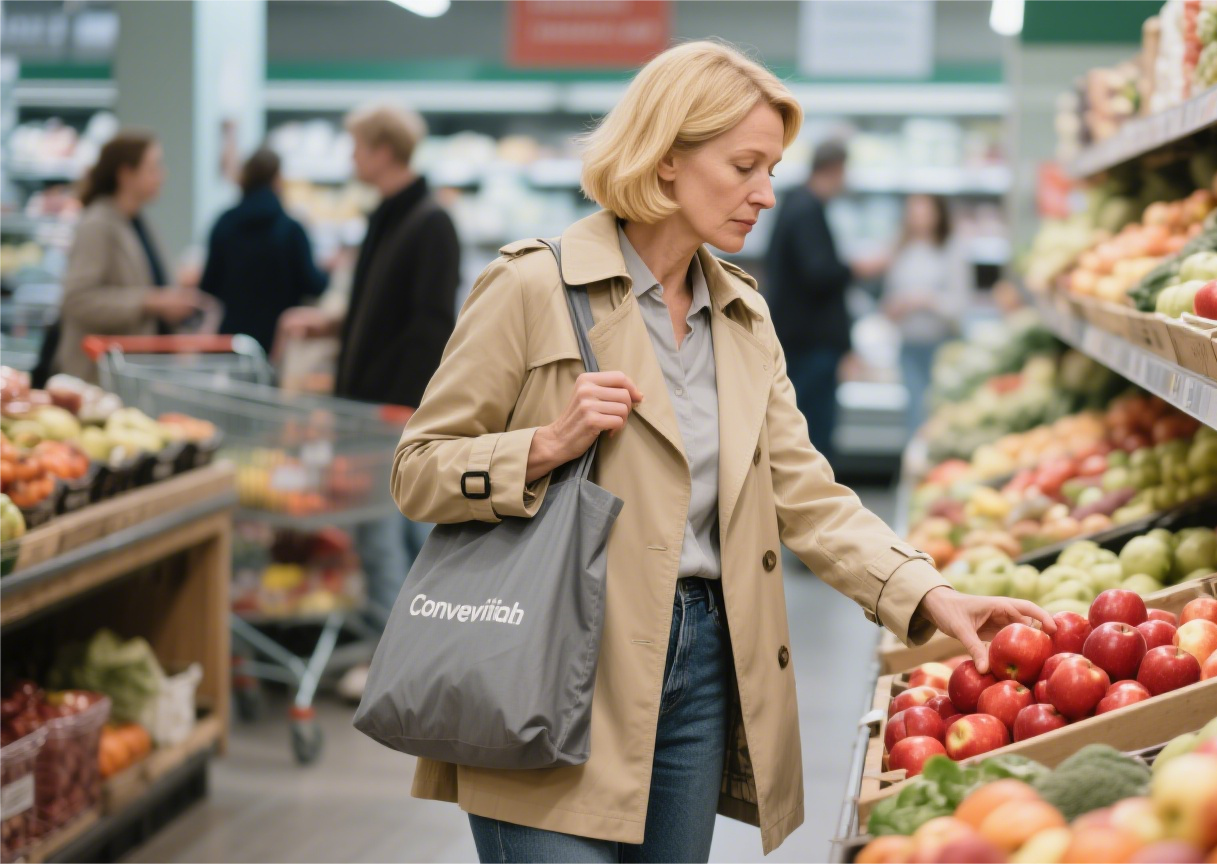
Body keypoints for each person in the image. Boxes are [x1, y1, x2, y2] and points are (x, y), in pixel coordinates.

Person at [390, 41, 1052, 864]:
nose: (766, 194)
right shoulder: (533, 287)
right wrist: (544, 445)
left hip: (703, 670)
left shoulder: (741, 315)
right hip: (556, 656)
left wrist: (929, 594)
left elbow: (804, 494)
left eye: (771, 169)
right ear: (667, 157)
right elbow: (418, 469)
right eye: (744, 167)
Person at [275, 104, 459, 697]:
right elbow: (382, 312)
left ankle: (398, 663)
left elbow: (431, 323)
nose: (351, 158)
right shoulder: (389, 215)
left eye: (356, 147)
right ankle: (417, 656)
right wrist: (332, 325)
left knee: (385, 537)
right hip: (369, 407)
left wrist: (409, 406)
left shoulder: (430, 221)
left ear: (383, 150)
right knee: (395, 535)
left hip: (391, 411)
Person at [51, 132, 203, 382]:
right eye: (153, 167)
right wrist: (150, 302)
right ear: (126, 174)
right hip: (97, 377)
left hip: (130, 374)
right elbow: (78, 299)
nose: (162, 175)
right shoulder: (97, 225)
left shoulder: (137, 221)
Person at [763, 140, 880, 457]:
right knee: (812, 434)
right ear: (835, 169)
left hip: (798, 338)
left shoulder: (796, 203)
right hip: (810, 343)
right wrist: (854, 269)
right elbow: (818, 272)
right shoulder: (807, 209)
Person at [200, 148, 327, 353]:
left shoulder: (224, 223)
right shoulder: (291, 229)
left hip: (232, 341)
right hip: (279, 342)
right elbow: (313, 285)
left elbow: (209, 286)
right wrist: (329, 270)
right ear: (276, 179)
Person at [883, 194, 971, 435]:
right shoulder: (901, 249)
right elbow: (888, 300)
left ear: (938, 214)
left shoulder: (952, 249)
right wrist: (895, 307)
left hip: (943, 346)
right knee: (915, 413)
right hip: (909, 346)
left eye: (924, 211)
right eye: (914, 211)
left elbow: (960, 305)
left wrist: (926, 299)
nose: (918, 217)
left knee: (942, 413)